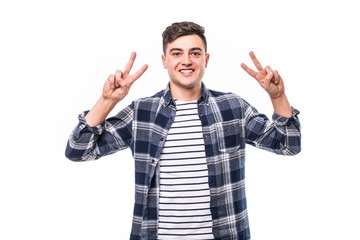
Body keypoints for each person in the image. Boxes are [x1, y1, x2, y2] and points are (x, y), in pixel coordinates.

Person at [65, 21, 301, 240]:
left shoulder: (233, 107)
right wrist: (107, 101)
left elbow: (289, 145)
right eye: (176, 53)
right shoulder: (142, 112)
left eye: (194, 53)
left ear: (206, 59)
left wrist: (278, 96)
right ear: (164, 60)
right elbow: (78, 150)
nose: (186, 60)